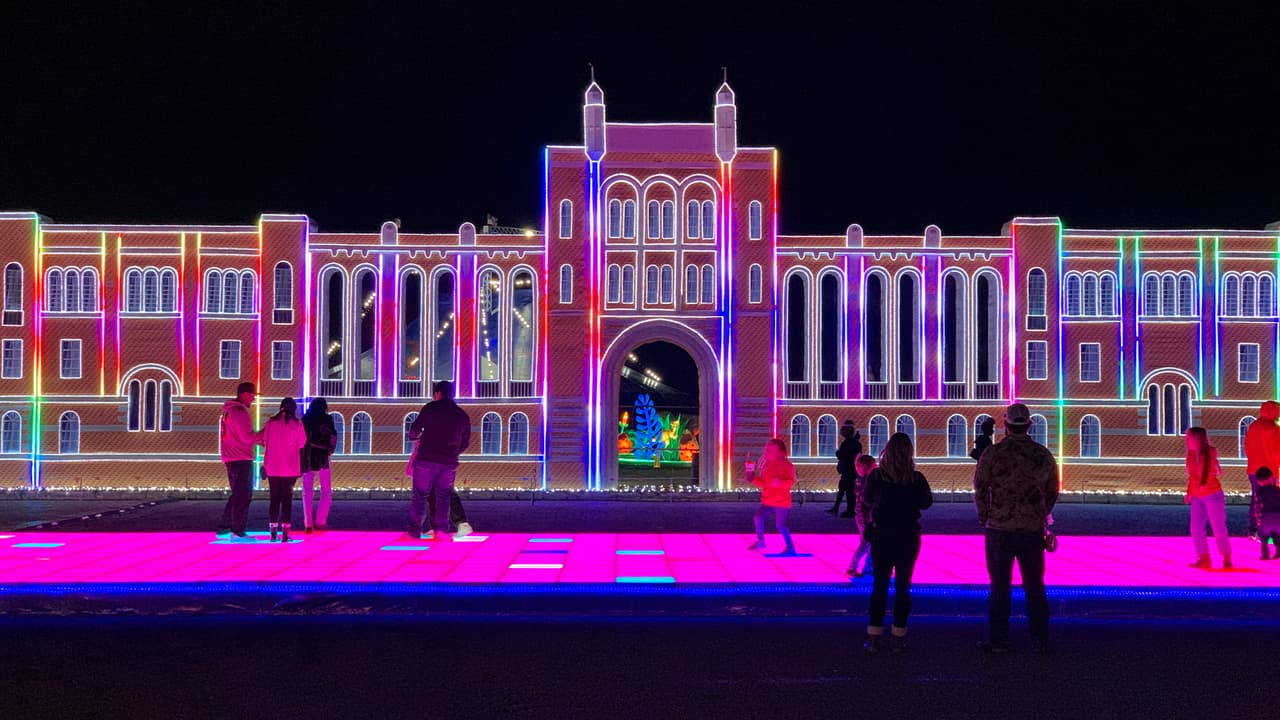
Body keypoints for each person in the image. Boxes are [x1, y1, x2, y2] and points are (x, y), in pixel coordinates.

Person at [974, 402, 1058, 654]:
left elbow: (980, 488)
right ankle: (1039, 640)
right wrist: (1041, 514)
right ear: (1029, 425)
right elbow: (1052, 490)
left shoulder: (993, 454)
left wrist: (985, 517)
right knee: (1034, 585)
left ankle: (999, 640)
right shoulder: (1042, 455)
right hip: (1031, 529)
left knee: (999, 586)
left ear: (1006, 424)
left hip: (999, 528)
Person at [862, 434, 933, 653]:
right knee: (903, 587)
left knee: (880, 586)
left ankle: (874, 638)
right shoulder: (916, 478)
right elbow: (926, 503)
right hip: (908, 536)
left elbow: (866, 499)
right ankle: (898, 639)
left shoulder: (876, 476)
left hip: (882, 535)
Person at [406, 380, 472, 540]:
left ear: (437, 394)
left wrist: (418, 438)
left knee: (420, 495)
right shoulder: (461, 415)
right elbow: (465, 442)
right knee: (443, 495)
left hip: (426, 459)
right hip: (448, 462)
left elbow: (414, 431)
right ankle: (442, 530)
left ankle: (415, 531)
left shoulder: (430, 408)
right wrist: (453, 451)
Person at [217, 382, 262, 541]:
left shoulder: (228, 411)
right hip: (240, 457)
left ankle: (225, 526)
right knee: (243, 495)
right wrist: (264, 436)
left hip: (231, 457)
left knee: (237, 494)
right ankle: (238, 530)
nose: (253, 398)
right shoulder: (239, 412)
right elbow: (247, 437)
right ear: (243, 394)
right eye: (251, 395)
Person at [405, 436, 474, 538]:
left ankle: (461, 523)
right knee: (435, 496)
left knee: (443, 493)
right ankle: (439, 527)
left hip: (434, 461)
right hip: (436, 460)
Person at [1184, 426, 1231, 569]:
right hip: (1198, 496)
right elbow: (1193, 476)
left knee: (1218, 528)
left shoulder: (1209, 452)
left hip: (1212, 494)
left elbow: (1205, 472)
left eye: (1189, 437)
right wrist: (1190, 492)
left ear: (1197, 439)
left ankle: (1226, 557)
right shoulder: (1191, 453)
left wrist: (1201, 485)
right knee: (1196, 528)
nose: (1186, 440)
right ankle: (1204, 558)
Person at [262, 397, 307, 543]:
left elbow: (264, 441)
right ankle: (286, 533)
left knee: (274, 499)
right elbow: (302, 443)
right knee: (287, 500)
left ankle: (273, 532)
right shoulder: (296, 423)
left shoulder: (271, 422)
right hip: (290, 467)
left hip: (273, 467)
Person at [745, 438, 797, 555]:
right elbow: (764, 483)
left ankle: (790, 547)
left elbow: (791, 480)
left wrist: (781, 483)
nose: (767, 452)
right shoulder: (767, 465)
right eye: (766, 449)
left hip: (781, 502)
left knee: (781, 525)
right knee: (758, 517)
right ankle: (761, 541)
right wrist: (753, 478)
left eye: (770, 450)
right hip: (768, 500)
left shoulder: (787, 465)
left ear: (780, 452)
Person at [301, 398, 338, 533]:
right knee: (326, 489)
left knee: (307, 490)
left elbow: (301, 439)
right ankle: (321, 521)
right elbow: (333, 435)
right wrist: (331, 450)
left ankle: (308, 523)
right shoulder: (327, 419)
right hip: (323, 455)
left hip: (308, 456)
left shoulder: (305, 419)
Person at [1244, 401, 1280, 541]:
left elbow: (1247, 446)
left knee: (1256, 499)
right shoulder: (1274, 429)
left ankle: (1252, 529)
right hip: (1269, 470)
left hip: (1253, 469)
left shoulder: (1254, 426)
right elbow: (1277, 451)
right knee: (1270, 501)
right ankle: (1266, 531)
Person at [845, 454, 878, 578]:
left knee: (870, 543)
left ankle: (868, 568)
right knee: (866, 543)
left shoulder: (860, 480)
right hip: (865, 517)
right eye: (874, 466)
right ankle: (852, 567)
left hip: (862, 516)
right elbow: (867, 502)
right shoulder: (867, 482)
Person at [829, 420, 862, 517]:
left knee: (848, 491)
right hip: (852, 470)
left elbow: (842, 455)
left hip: (848, 470)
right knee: (846, 490)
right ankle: (840, 509)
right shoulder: (856, 443)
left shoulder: (847, 443)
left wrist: (838, 453)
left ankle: (850, 511)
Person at [1254, 468, 1280, 560]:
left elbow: (1258, 507)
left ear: (1258, 481)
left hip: (1266, 517)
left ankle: (1265, 554)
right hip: (1278, 517)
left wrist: (1258, 520)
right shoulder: (1278, 490)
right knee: (1277, 536)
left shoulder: (1259, 492)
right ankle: (1278, 552)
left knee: (1264, 537)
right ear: (1271, 477)